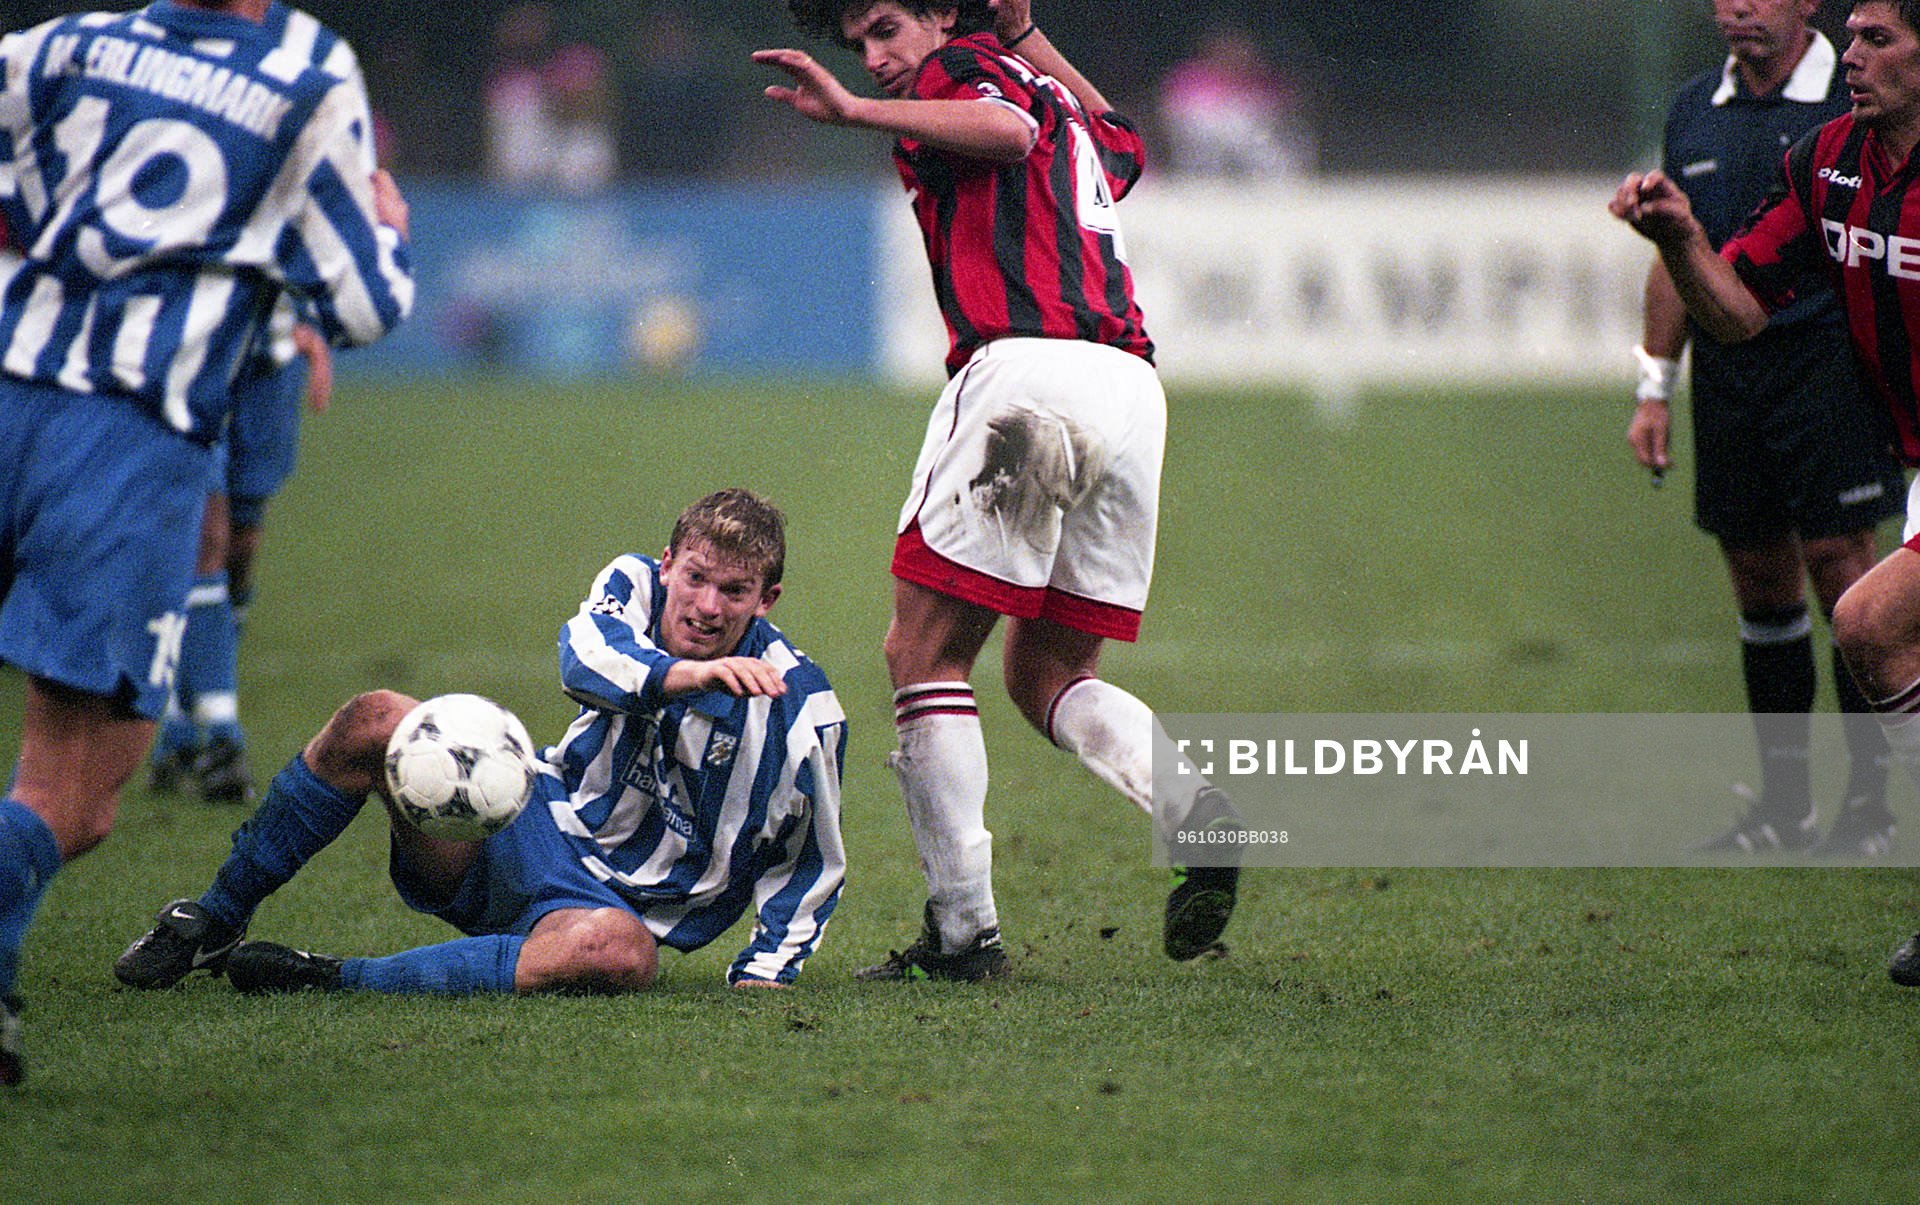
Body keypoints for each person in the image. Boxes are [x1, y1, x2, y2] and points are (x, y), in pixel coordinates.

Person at [756, 0, 1242, 982]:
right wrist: (1028, 37)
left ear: (943, 15)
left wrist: (855, 110)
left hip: (1027, 379)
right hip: (1127, 392)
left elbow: (1006, 130)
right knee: (1046, 674)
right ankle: (1199, 810)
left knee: (922, 652)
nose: (880, 56)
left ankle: (961, 931)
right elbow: (1119, 148)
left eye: (889, 26)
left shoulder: (959, 75)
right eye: (862, 45)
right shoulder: (1025, 74)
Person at [0, 0, 414, 1085]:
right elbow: (367, 303)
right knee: (77, 795)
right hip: (126, 441)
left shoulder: (55, 45)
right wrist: (386, 220)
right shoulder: (305, 70)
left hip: (10, 380)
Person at [115, 489, 846, 996]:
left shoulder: (802, 712)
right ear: (668, 564)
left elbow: (810, 855)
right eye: (696, 578)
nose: (708, 605)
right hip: (521, 816)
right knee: (376, 715)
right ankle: (213, 916)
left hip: (603, 911)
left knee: (621, 953)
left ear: (767, 600)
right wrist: (685, 675)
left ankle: (328, 976)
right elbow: (582, 659)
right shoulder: (631, 585)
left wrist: (767, 968)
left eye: (735, 591)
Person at [1610, 0, 1920, 986]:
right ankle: (1795, 805)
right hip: (1826, 424)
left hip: (1833, 397)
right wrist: (1676, 238)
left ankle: (1873, 813)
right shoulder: (1828, 159)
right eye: (1858, 37)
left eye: (1880, 40)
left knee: (1862, 609)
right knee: (1851, 620)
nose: (1858, 57)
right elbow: (1737, 305)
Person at [148, 307, 334, 805]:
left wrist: (318, 331)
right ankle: (224, 735)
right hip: (191, 356)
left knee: (241, 544)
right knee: (206, 533)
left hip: (270, 363)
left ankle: (182, 729)